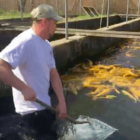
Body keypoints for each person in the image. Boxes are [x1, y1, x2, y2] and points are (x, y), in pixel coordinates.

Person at [0, 4, 67, 140]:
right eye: (54, 23)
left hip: (45, 108)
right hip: (30, 113)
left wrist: (61, 101)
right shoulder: (25, 41)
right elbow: (1, 66)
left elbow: (53, 74)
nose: (56, 28)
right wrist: (24, 88)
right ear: (44, 21)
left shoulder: (46, 45)